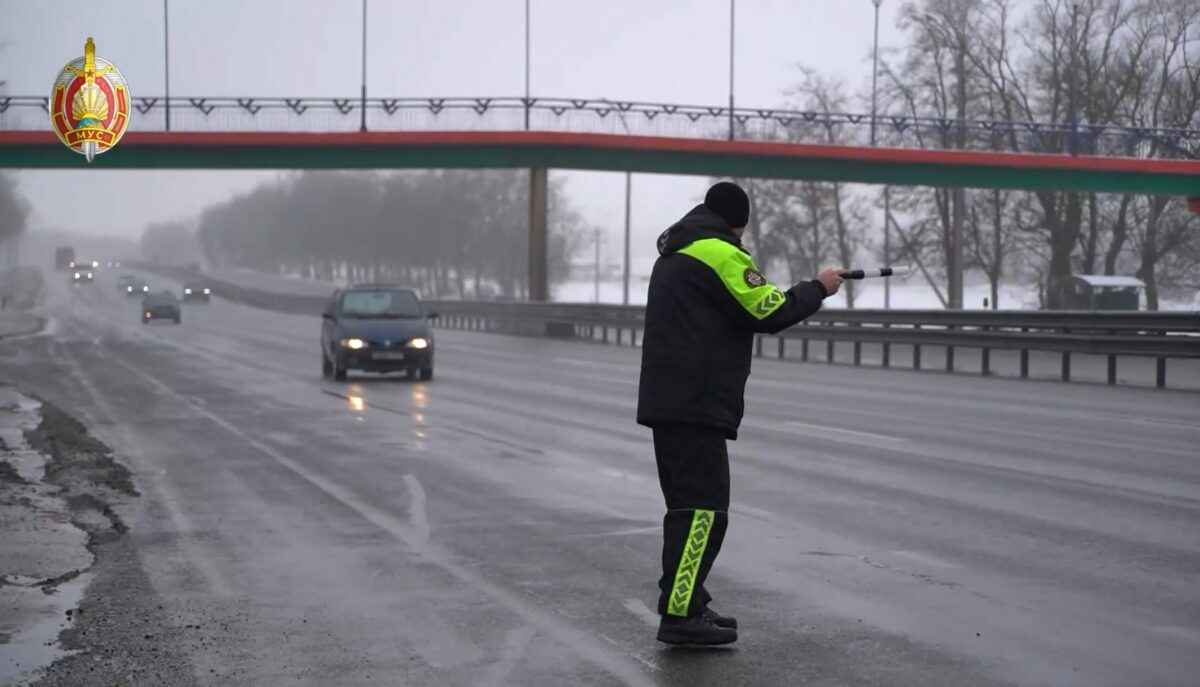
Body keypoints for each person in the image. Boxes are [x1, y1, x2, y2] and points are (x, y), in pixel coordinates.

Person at [636, 181, 843, 646]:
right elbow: (769, 310)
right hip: (696, 402)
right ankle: (681, 613)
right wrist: (819, 287)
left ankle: (689, 599)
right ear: (738, 222)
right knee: (704, 511)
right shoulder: (721, 253)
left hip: (671, 400)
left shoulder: (677, 251)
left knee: (689, 509)